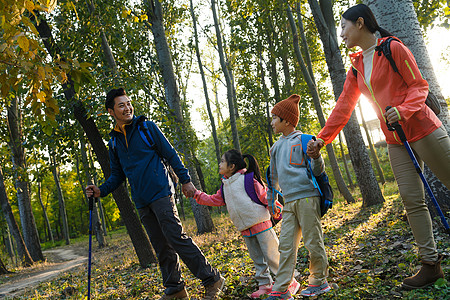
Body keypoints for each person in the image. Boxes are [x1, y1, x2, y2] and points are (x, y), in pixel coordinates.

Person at [307, 4, 449, 290]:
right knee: (412, 200)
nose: (342, 33)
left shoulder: (392, 48)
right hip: (396, 140)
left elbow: (419, 86)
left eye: (344, 27)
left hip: (422, 127)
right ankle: (430, 264)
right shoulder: (357, 67)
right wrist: (323, 138)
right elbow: (344, 107)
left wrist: (403, 110)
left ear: (360, 24)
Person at [85, 88, 225, 300]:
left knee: (176, 238)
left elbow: (170, 154)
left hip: (161, 192)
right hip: (141, 200)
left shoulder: (146, 128)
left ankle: (212, 279)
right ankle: (175, 289)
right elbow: (117, 175)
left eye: (128, 103)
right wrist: (100, 190)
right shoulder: (113, 142)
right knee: (161, 245)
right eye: (121, 105)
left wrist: (186, 180)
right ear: (111, 111)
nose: (127, 108)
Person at [193, 149, 293, 298]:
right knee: (257, 259)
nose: (219, 164)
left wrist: (275, 207)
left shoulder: (248, 179)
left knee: (272, 254)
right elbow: (214, 200)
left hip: (260, 222)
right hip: (245, 228)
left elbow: (264, 195)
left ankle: (288, 282)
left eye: (222, 161)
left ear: (232, 166)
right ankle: (265, 285)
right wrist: (197, 194)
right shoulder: (225, 185)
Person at [266, 94, 330, 299]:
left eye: (275, 118)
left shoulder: (306, 140)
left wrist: (317, 155)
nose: (272, 122)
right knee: (286, 246)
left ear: (286, 120)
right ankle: (282, 288)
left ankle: (319, 281)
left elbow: (318, 169)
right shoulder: (275, 148)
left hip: (308, 198)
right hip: (288, 203)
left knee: (313, 240)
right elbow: (273, 178)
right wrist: (271, 201)